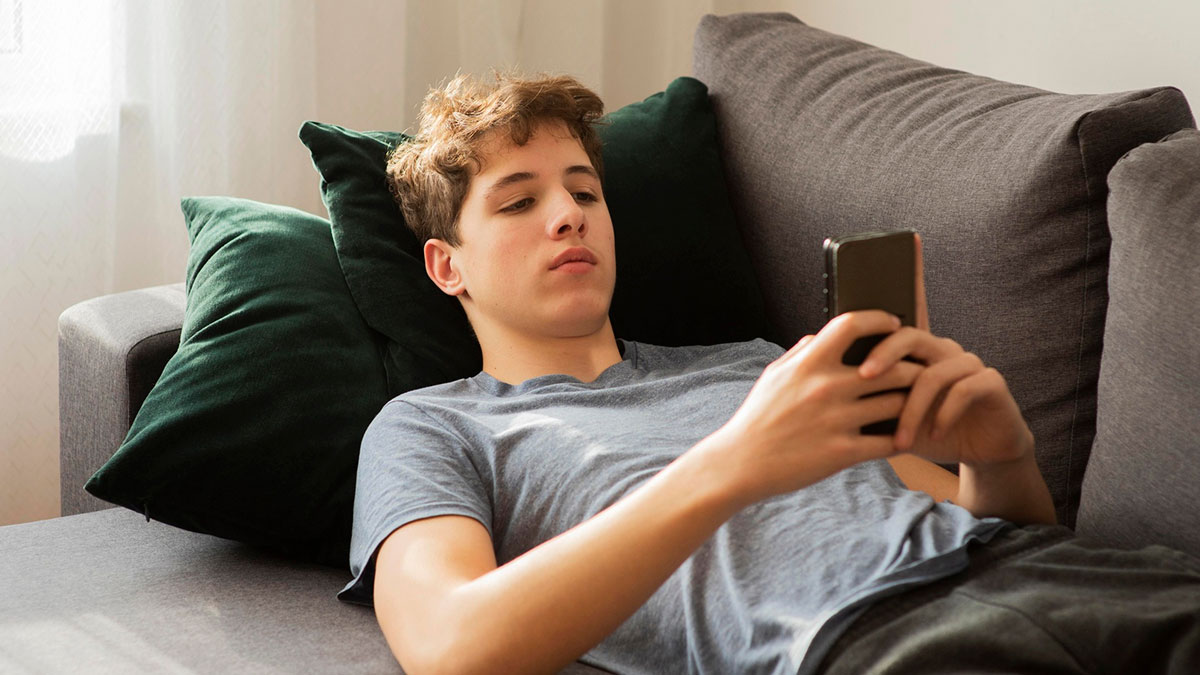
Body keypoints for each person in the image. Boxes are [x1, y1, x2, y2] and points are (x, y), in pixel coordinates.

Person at [338, 72, 1200, 675]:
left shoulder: (757, 364)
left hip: (1069, 573)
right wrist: (734, 461)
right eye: (521, 200)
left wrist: (1000, 458)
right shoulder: (431, 424)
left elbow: (986, 528)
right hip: (874, 642)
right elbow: (451, 644)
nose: (568, 215)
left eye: (585, 191)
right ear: (447, 267)